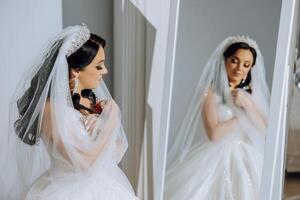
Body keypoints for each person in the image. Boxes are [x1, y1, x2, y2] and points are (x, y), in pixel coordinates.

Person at [0, 24, 139, 200]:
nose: (105, 71)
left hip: (107, 188)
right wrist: (111, 118)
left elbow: (116, 152)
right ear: (76, 71)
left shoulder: (90, 102)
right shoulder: (50, 111)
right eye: (99, 66)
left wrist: (103, 124)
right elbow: (84, 165)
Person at [164, 36, 270, 200]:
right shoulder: (209, 92)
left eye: (246, 65)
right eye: (234, 61)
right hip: (217, 156)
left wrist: (248, 106)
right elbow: (214, 134)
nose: (239, 69)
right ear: (225, 60)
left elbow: (265, 132)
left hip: (247, 156)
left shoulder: (250, 95)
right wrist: (241, 115)